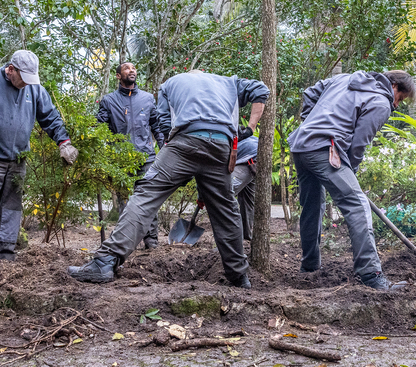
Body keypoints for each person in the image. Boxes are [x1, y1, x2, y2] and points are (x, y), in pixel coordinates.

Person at [68, 70, 267, 287]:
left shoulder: (170, 83)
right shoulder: (229, 81)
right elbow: (261, 90)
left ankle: (105, 262)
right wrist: (250, 129)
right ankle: (239, 277)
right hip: (221, 146)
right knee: (226, 209)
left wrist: (173, 163)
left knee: (146, 196)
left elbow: (164, 124)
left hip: (184, 142)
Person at [0, 50, 78, 272]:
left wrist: (63, 142)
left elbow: (50, 118)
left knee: (11, 212)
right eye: (23, 78)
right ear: (10, 70)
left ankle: (4, 264)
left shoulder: (34, 88)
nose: (27, 83)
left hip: (18, 159)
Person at [287, 70, 416, 290]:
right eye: (400, 99)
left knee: (312, 205)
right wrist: (351, 171)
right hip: (324, 150)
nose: (396, 104)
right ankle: (371, 275)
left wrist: (310, 124)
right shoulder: (381, 102)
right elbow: (359, 143)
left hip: (301, 145)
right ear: (394, 86)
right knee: (358, 205)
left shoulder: (344, 78)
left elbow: (310, 93)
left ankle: (309, 266)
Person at [96, 62, 163, 248]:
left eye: (133, 68)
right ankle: (126, 243)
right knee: (125, 203)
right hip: (121, 160)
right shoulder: (108, 101)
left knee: (149, 199)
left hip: (146, 158)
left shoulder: (148, 99)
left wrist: (165, 148)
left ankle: (151, 242)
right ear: (118, 76)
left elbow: (156, 126)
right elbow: (100, 127)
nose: (131, 70)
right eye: (126, 68)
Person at [231, 135, 259, 241]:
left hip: (249, 160)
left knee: (223, 196)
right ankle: (246, 236)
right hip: (254, 156)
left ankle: (230, 241)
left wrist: (202, 197)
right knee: (247, 200)